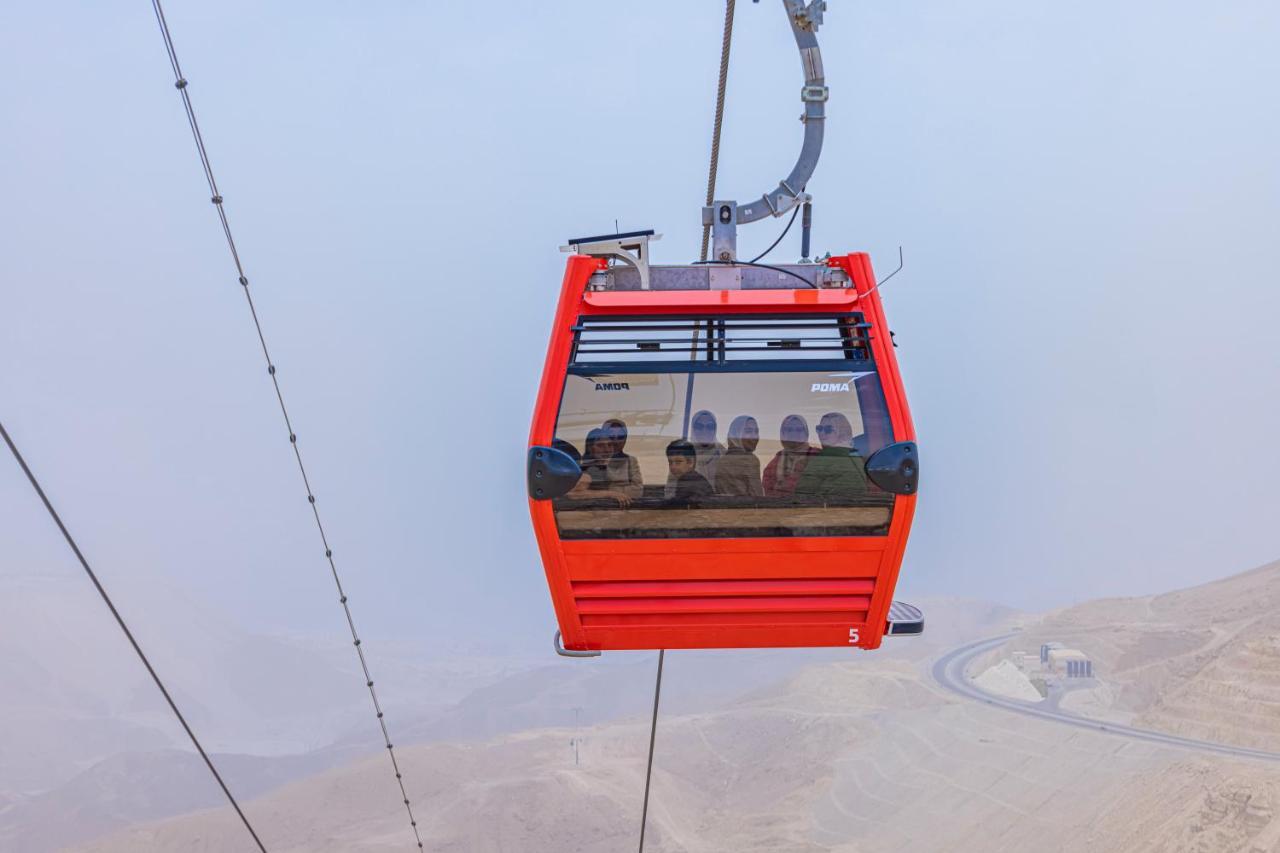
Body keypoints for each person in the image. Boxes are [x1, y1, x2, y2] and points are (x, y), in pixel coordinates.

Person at [794, 412, 868, 498]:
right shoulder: (855, 456)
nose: (821, 433)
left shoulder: (826, 458)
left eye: (828, 430)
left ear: (842, 432)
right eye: (819, 428)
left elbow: (801, 493)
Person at [762, 414, 815, 497]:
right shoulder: (774, 463)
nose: (794, 434)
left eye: (799, 430)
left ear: (806, 433)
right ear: (783, 434)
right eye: (789, 430)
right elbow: (769, 492)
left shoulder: (816, 456)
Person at [715, 415, 763, 497]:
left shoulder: (721, 461)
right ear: (736, 434)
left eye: (756, 432)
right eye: (748, 431)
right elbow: (757, 498)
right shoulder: (750, 460)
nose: (754, 436)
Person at [600, 418, 644, 499]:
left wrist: (610, 491)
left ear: (625, 439)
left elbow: (638, 491)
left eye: (620, 436)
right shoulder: (598, 460)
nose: (616, 441)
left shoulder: (631, 461)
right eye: (611, 436)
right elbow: (597, 492)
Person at [664, 439, 713, 507]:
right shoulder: (689, 479)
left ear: (690, 462)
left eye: (678, 462)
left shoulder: (688, 482)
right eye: (670, 462)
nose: (673, 467)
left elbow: (678, 507)